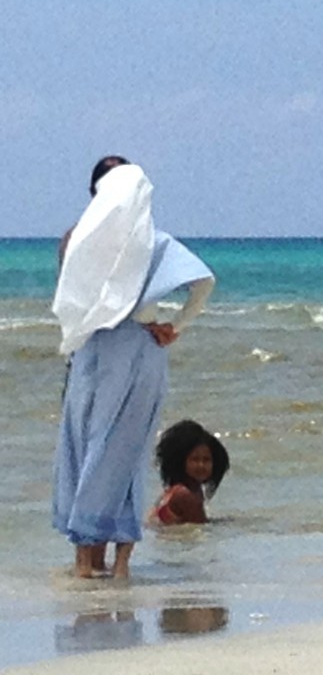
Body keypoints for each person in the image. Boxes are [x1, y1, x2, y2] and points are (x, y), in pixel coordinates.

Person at [52, 157, 215, 578]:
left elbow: (75, 303)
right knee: (122, 451)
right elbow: (204, 283)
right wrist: (175, 326)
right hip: (137, 350)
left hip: (92, 350)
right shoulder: (151, 242)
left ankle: (87, 559)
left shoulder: (76, 240)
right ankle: (114, 561)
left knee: (88, 449)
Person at [152, 419, 230, 525]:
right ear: (180, 461)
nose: (201, 465)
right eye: (194, 459)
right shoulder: (185, 495)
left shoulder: (176, 490)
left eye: (206, 460)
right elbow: (200, 526)